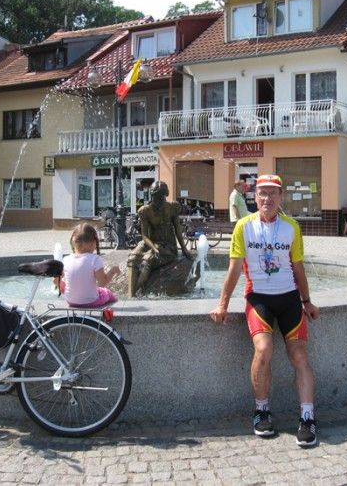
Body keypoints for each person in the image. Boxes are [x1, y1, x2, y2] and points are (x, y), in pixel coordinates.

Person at [210, 174, 321, 447]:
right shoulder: (243, 226)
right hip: (258, 298)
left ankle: (307, 417)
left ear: (281, 197)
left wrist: (307, 301)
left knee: (299, 355)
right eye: (262, 193)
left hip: (289, 298)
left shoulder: (291, 227)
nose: (267, 198)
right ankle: (261, 411)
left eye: (272, 193)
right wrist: (223, 303)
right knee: (263, 349)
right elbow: (234, 268)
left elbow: (298, 268)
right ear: (255, 197)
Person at [128, 181, 192, 295]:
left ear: (165, 196)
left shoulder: (172, 208)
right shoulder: (145, 211)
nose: (157, 201)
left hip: (167, 245)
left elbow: (178, 231)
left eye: (160, 197)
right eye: (155, 197)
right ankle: (130, 294)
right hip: (150, 243)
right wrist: (153, 247)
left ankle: (133, 294)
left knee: (147, 260)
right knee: (132, 258)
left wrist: (184, 249)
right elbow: (144, 236)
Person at [54, 223, 121, 308]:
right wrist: (112, 271)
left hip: (71, 301)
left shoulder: (65, 260)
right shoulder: (95, 259)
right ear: (93, 243)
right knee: (107, 292)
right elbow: (102, 283)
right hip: (91, 301)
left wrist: (64, 288)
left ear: (73, 242)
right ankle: (116, 307)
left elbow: (56, 281)